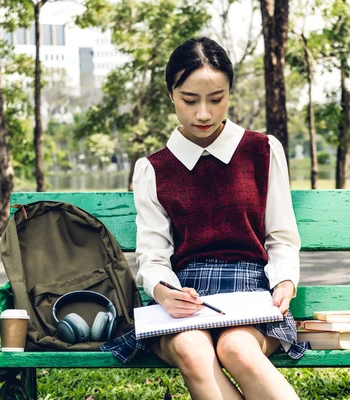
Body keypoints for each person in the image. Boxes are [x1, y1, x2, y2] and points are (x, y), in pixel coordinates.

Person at [101, 37, 305, 400]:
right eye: (189, 100)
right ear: (171, 95)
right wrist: (164, 291)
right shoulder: (154, 169)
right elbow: (152, 256)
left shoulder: (262, 150)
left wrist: (285, 282)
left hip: (252, 296)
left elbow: (281, 237)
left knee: (237, 349)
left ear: (230, 92)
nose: (204, 115)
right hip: (184, 301)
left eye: (217, 99)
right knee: (195, 354)